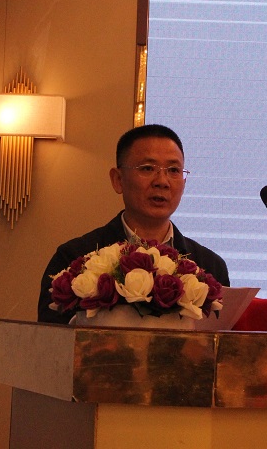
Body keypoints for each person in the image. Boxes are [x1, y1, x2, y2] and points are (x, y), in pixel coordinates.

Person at [37, 124, 230, 324]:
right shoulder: (74, 258)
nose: (162, 181)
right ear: (118, 180)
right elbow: (52, 339)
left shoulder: (209, 267)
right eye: (147, 168)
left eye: (173, 170)